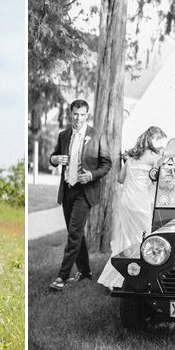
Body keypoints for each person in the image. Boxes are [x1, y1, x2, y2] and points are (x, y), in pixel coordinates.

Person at [49, 99, 112, 291]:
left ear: (87, 115)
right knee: (75, 233)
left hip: (85, 191)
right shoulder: (63, 135)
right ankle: (85, 272)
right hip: (68, 188)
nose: (78, 118)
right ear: (71, 114)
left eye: (82, 114)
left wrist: (91, 175)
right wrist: (54, 159)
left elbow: (106, 164)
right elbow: (53, 158)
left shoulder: (97, 135)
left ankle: (61, 277)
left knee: (74, 234)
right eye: (75, 114)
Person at [97, 126, 167, 289]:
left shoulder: (131, 158)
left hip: (127, 202)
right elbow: (160, 182)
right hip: (141, 203)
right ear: (154, 141)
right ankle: (141, 277)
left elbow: (121, 179)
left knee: (125, 238)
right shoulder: (155, 158)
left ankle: (118, 278)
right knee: (143, 238)